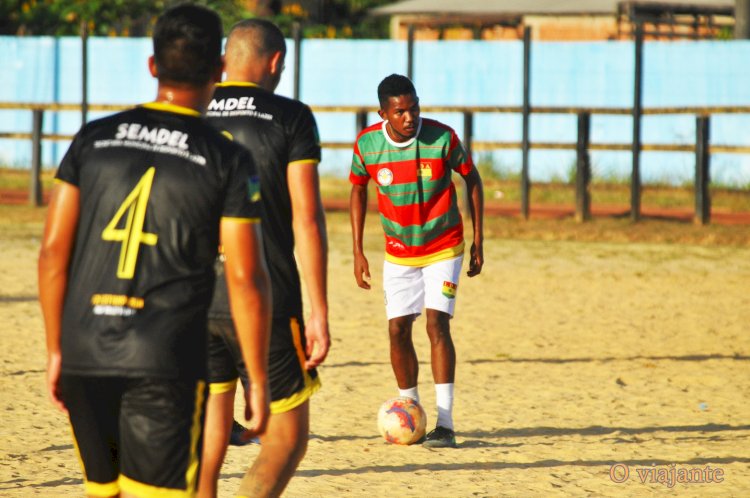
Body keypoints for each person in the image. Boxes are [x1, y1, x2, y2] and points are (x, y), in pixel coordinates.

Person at [37, 4, 272, 497]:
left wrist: (58, 347)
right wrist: (256, 376)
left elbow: (54, 251)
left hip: (86, 349)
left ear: (152, 66)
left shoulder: (92, 137)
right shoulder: (226, 158)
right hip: (162, 358)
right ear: (218, 71)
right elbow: (246, 278)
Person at [198, 19, 330, 498]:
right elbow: (307, 219)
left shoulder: (190, 109)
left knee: (209, 440)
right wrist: (318, 311)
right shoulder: (291, 117)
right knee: (286, 438)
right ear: (275, 62)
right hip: (264, 293)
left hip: (193, 297)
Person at [349, 74, 484, 449]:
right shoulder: (367, 144)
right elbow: (357, 189)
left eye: (414, 108)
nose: (409, 117)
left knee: (436, 323)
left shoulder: (442, 138)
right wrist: (357, 250)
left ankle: (445, 423)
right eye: (400, 112)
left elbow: (473, 179)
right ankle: (410, 408)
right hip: (399, 252)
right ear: (383, 113)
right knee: (397, 330)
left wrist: (479, 239)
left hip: (444, 244)